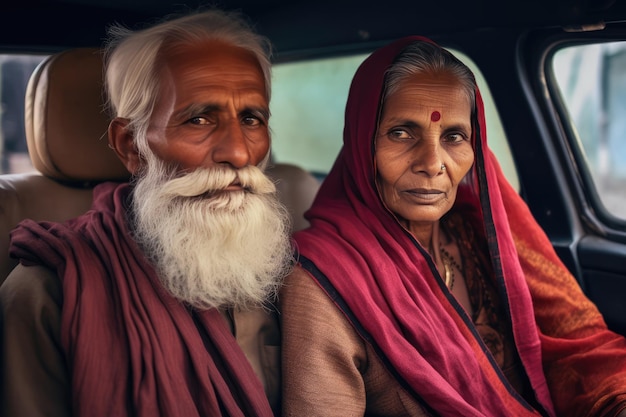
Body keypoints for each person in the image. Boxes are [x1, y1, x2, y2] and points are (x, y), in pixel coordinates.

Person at [280, 36, 626, 416]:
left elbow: (580, 344)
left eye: (454, 137)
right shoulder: (324, 279)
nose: (432, 162)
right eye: (401, 133)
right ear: (363, 142)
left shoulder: (479, 228)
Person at [0, 8, 294, 417]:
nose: (240, 152)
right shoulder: (46, 293)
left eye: (251, 118)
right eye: (199, 119)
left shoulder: (283, 271)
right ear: (131, 146)